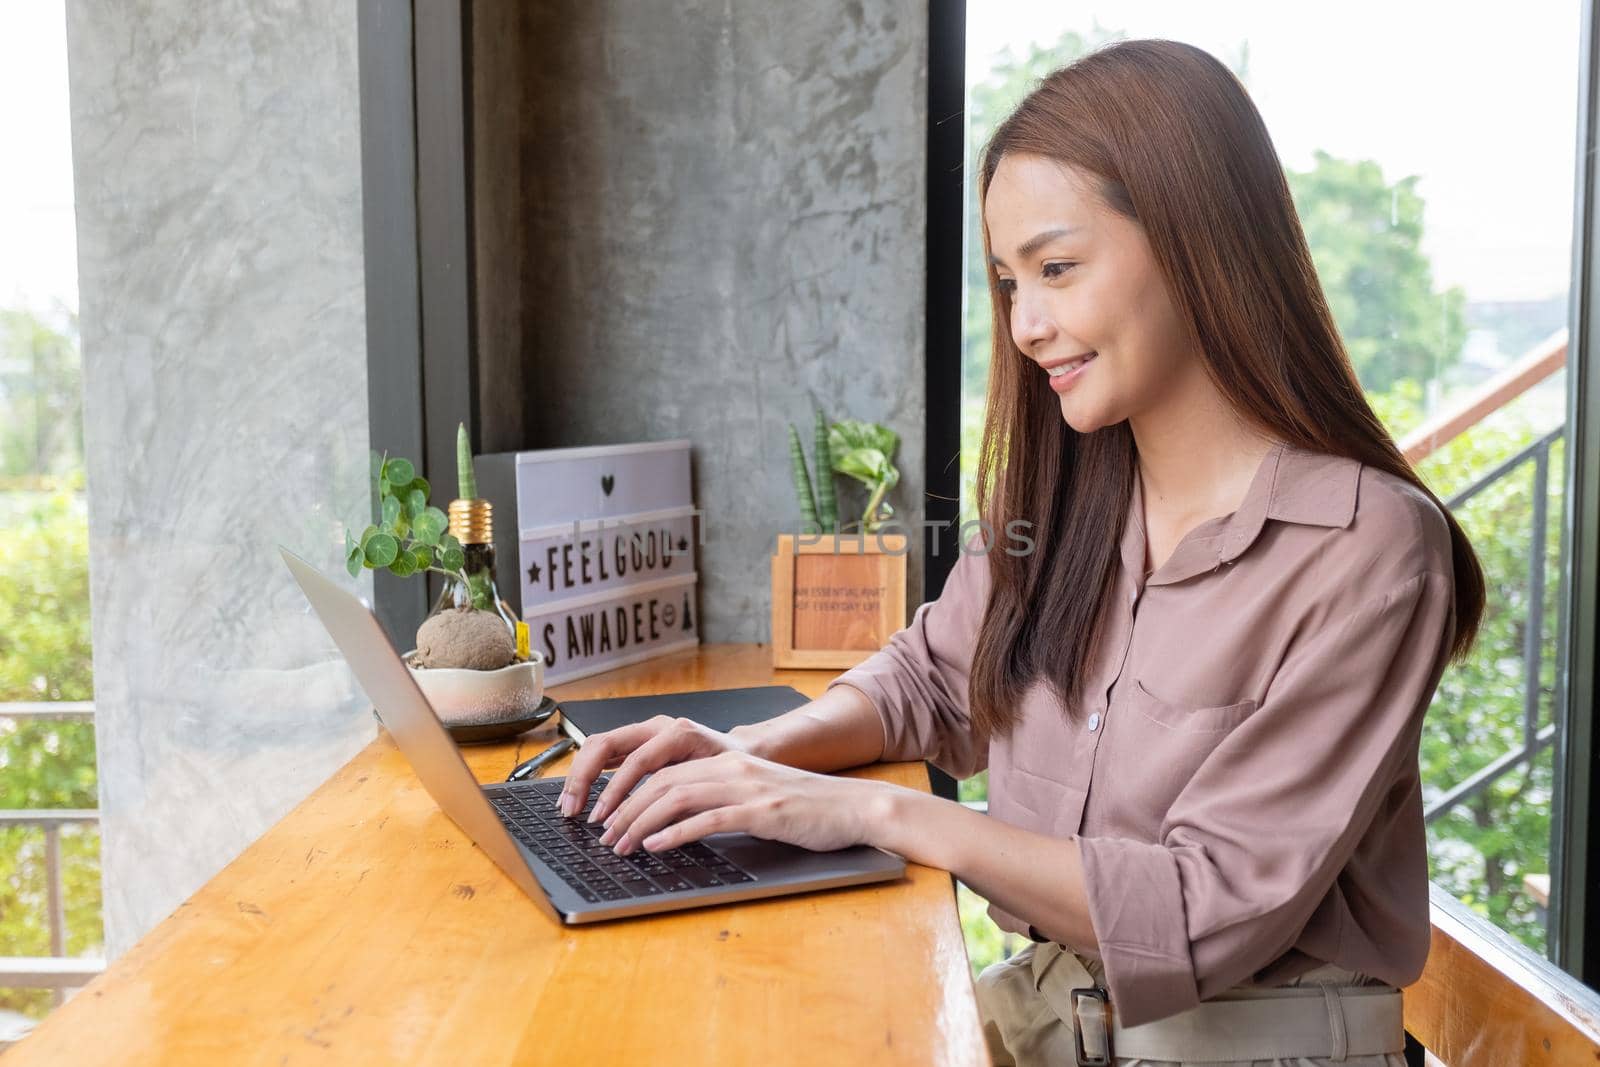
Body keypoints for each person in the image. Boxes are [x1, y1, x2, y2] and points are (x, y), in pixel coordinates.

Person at [558, 37, 1484, 1066]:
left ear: (1196, 241)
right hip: (1051, 1024)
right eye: (1006, 282)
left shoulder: (1370, 549)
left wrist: (872, 809)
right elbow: (932, 681)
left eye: (1056, 268)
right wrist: (747, 757)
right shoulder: (1062, 497)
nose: (1027, 324)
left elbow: (1202, 909)